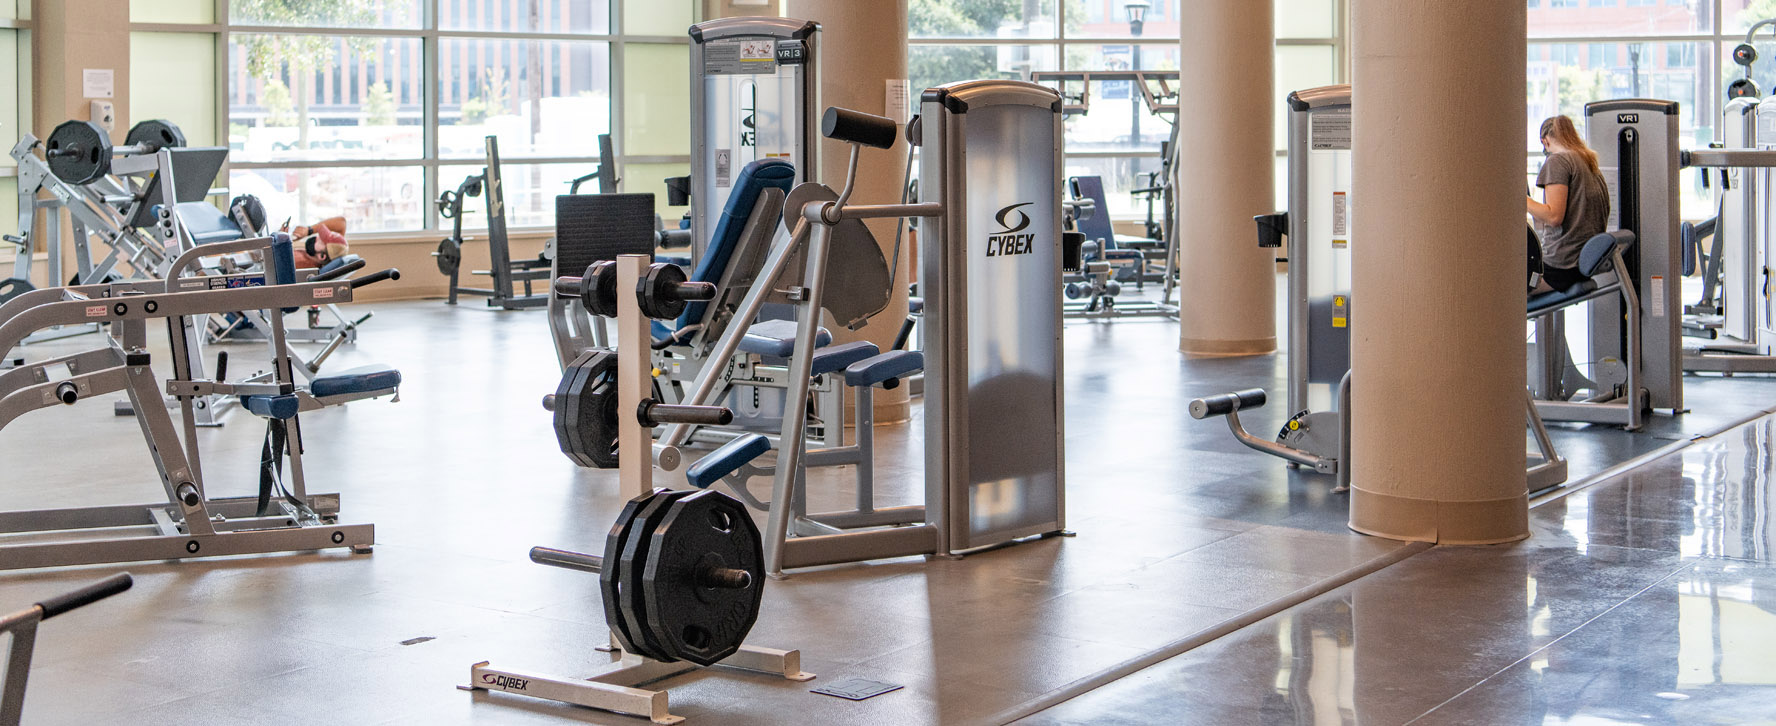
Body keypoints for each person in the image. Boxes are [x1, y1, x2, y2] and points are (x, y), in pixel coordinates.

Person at [1527, 115, 1611, 292]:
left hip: (1558, 267)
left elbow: (1553, 217)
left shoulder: (1558, 161)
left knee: (1497, 283)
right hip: (1580, 264)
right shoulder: (1588, 162)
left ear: (1545, 141)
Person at [284, 216, 351, 271]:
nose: (317, 236)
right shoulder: (335, 249)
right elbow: (342, 222)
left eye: (321, 240)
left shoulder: (303, 264)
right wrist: (308, 230)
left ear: (322, 256)